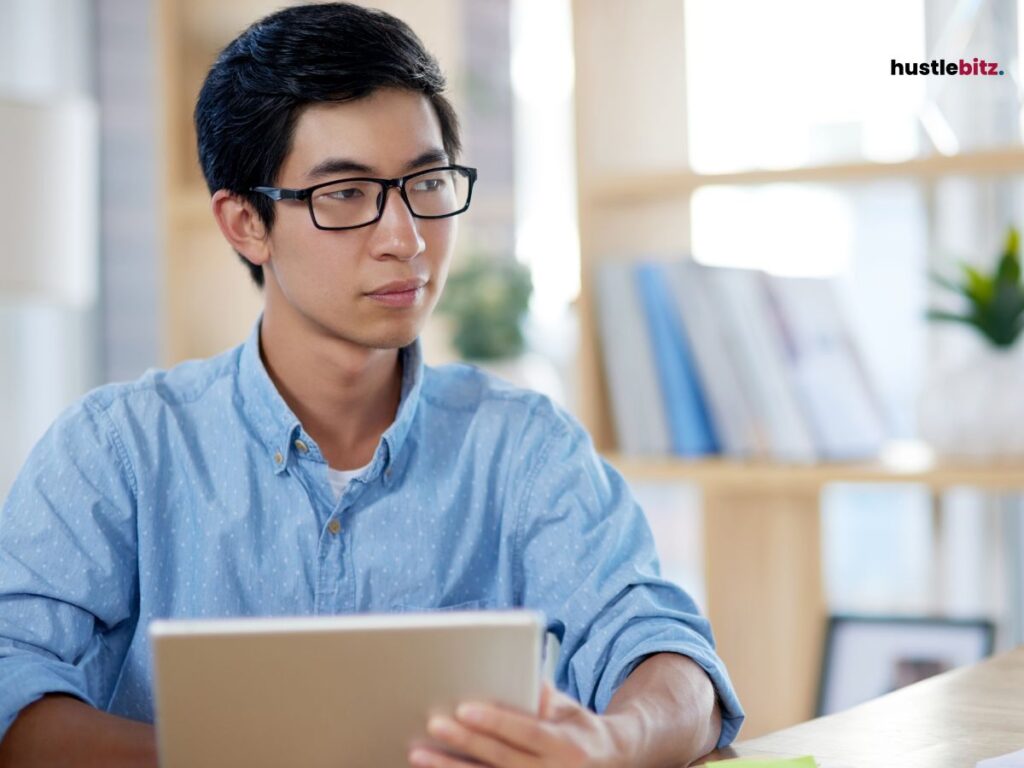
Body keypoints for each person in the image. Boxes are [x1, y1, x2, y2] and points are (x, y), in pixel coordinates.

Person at [0, 4, 743, 766]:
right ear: (244, 223)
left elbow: (670, 654)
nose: (406, 238)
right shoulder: (117, 449)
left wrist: (615, 744)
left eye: (427, 182)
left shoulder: (523, 448)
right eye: (347, 194)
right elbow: (12, 692)